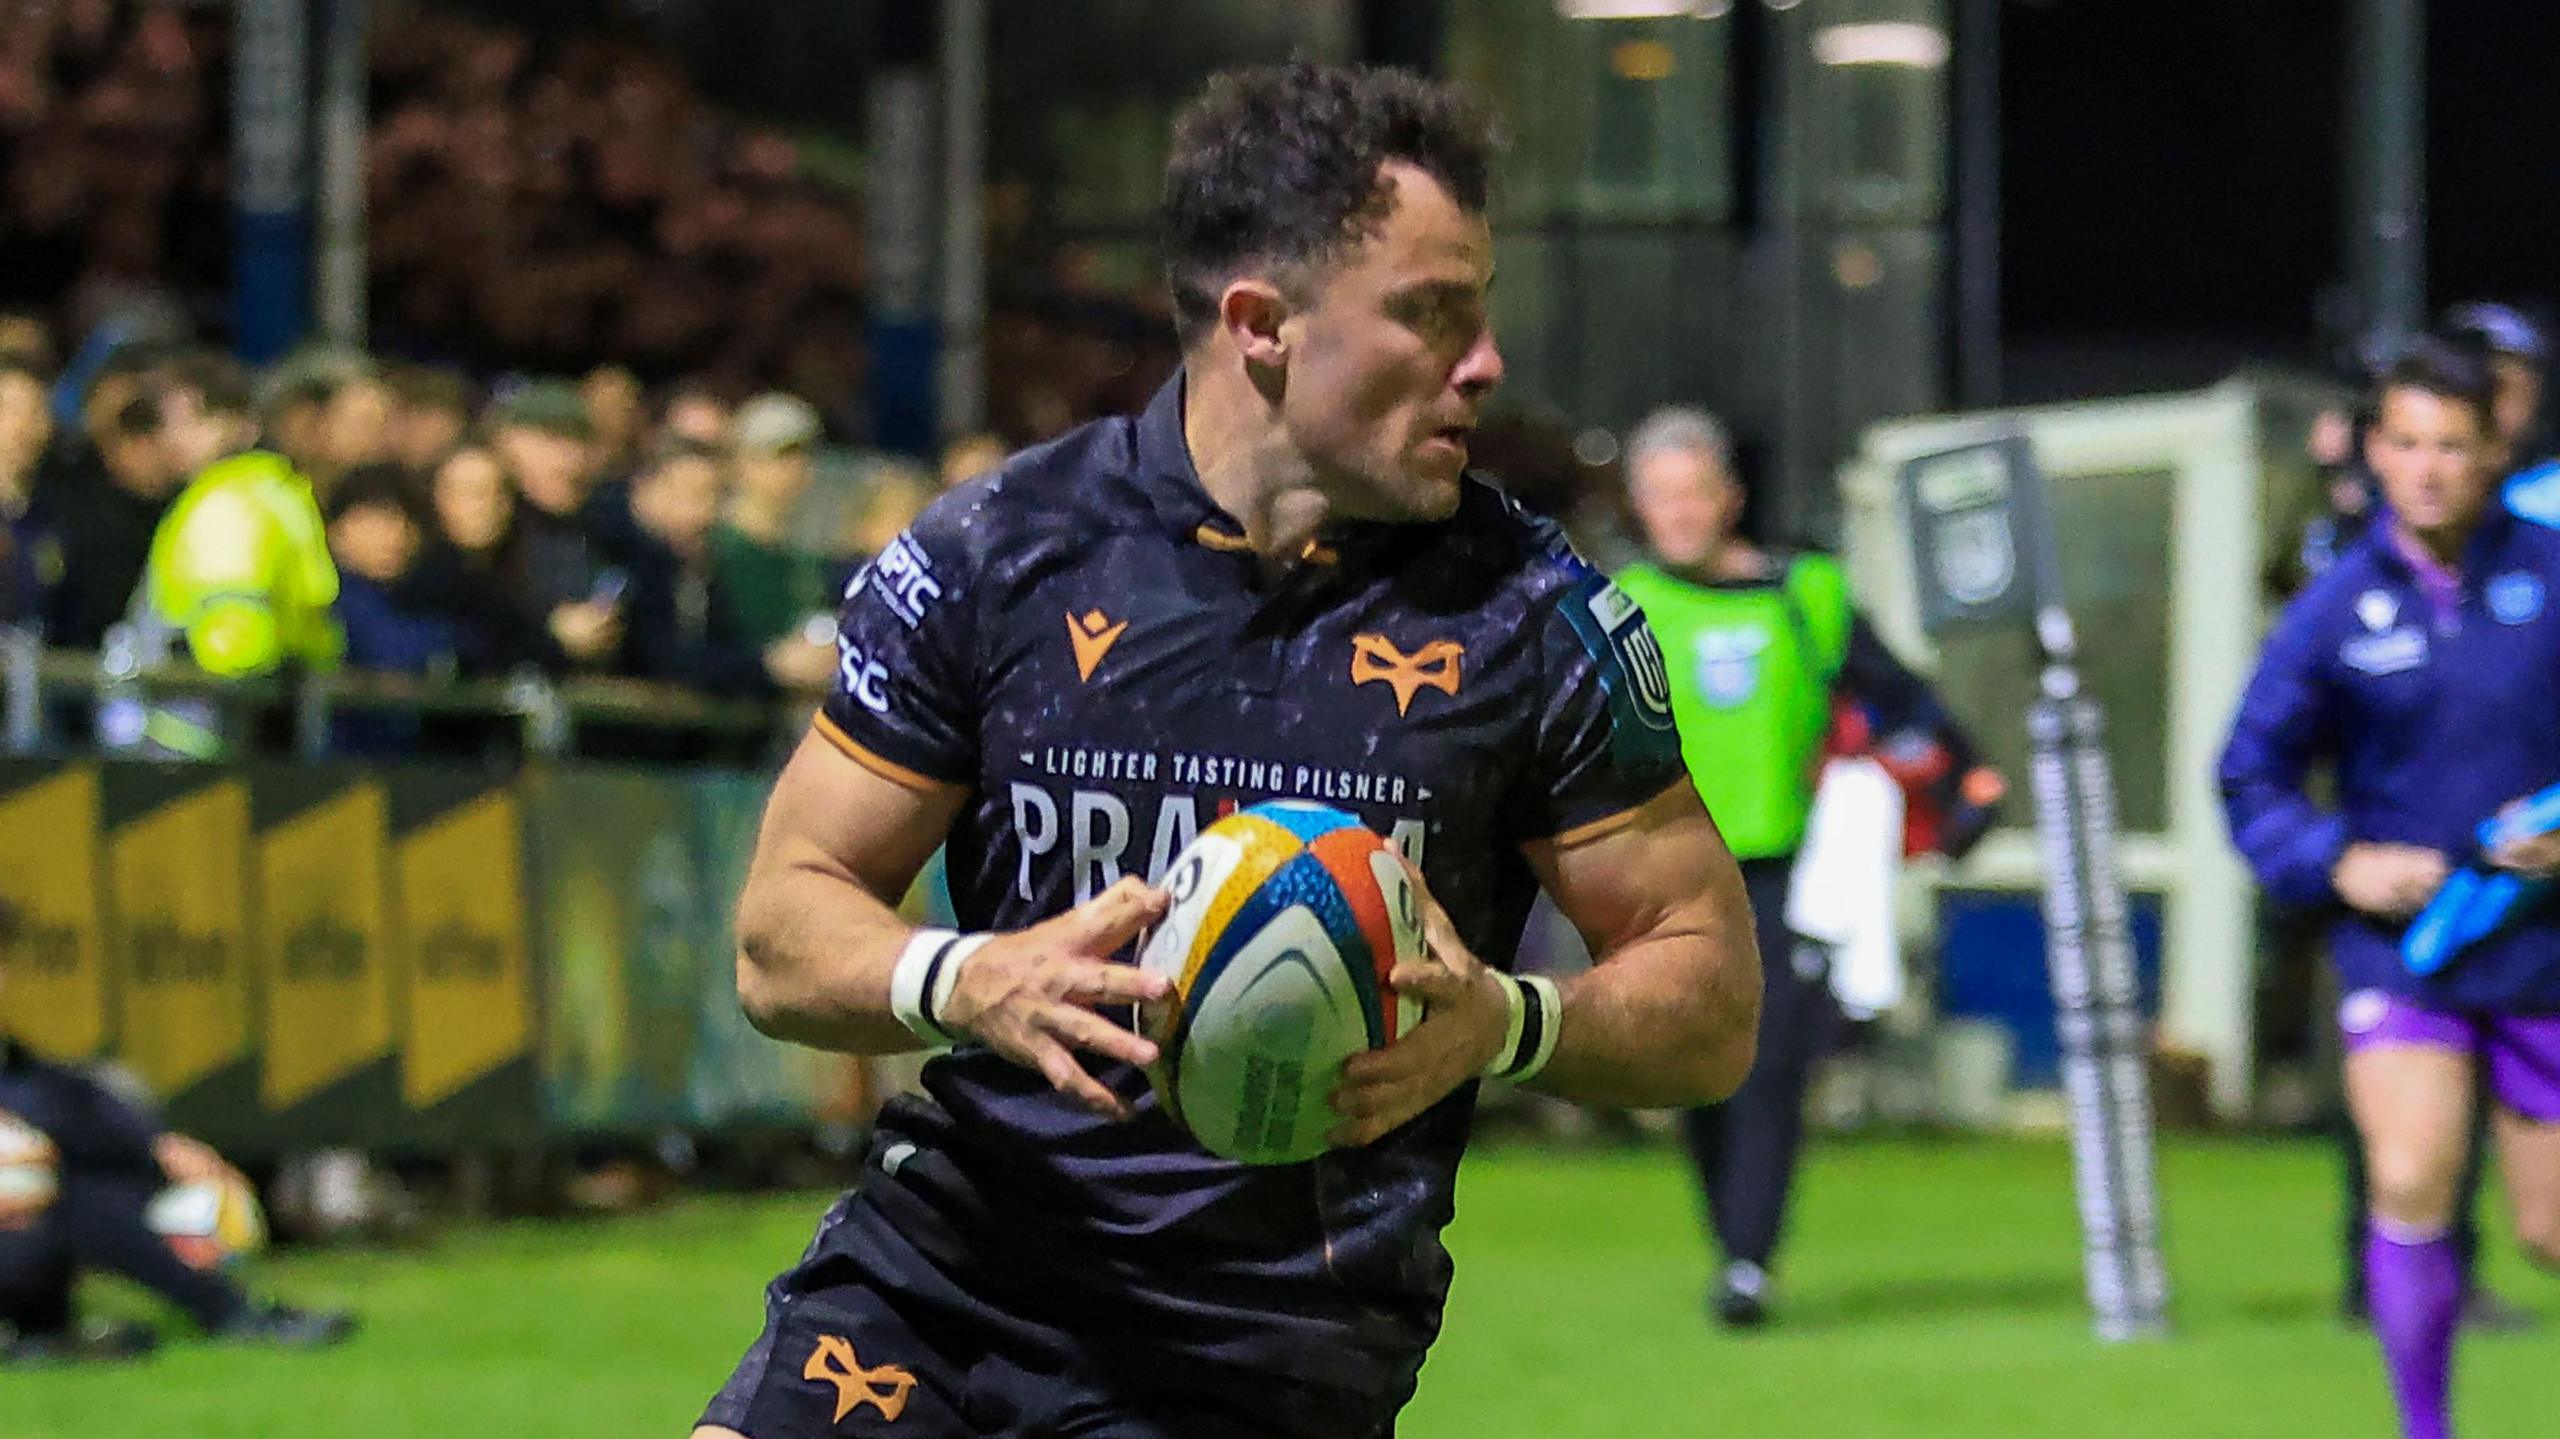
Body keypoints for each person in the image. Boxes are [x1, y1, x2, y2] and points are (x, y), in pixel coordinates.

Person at [693, 63, 1760, 1439]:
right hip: (946, 1279)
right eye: (1433, 314)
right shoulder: (997, 554)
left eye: (1480, 311)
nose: (1486, 361)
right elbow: (779, 930)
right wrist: (968, 974)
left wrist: (1511, 1019)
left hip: (1263, 1354)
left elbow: (1713, 994)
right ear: (1262, 323)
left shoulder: (1536, 617)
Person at [2219, 339, 2560, 1439]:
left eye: (2450, 446)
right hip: (2404, 947)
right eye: (2404, 442)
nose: (2425, 468)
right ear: (2373, 449)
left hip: (2543, 952)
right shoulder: (2330, 609)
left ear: (2493, 453)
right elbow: (2249, 773)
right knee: (2409, 1170)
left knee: (2550, 1228)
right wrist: (2335, 861)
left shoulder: (2550, 575)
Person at [1613, 404, 1991, 1328]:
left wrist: (1969, 778)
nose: (1678, 514)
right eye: (1658, 497)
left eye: (1693, 492)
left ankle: (1748, 1261)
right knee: (1694, 1074)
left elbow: (1903, 698)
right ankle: (1732, 1237)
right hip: (1663, 881)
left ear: (1729, 498)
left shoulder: (1807, 594)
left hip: (1786, 875)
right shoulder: (1615, 606)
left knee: (1769, 1061)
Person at [0, 905, 356, 1362]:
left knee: (97, 1184)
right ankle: (228, 1312)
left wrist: (160, 1148)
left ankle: (43, 1338)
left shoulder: (22, 1068)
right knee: (77, 1195)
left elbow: (70, 1106)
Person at [710, 392, 833, 650]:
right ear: (741, 461)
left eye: (803, 455)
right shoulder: (716, 547)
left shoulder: (803, 555)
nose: (795, 468)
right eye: (781, 456)